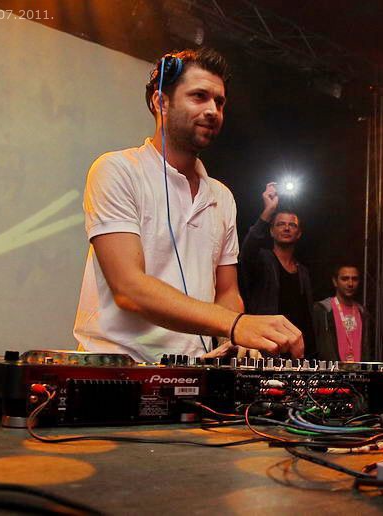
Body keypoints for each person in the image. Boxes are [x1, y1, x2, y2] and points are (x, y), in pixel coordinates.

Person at [73, 48, 303, 363]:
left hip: (193, 369)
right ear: (160, 102)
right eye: (199, 97)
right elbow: (128, 287)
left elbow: (226, 291)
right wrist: (236, 325)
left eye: (219, 102)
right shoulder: (117, 170)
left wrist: (237, 341)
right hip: (117, 366)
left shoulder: (221, 196)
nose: (212, 110)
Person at [239, 183, 314, 357]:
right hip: (266, 350)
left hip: (296, 354)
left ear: (299, 233)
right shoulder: (262, 260)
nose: (286, 228)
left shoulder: (303, 271)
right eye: (280, 224)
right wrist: (269, 210)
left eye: (292, 225)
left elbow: (308, 316)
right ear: (271, 231)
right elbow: (247, 252)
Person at [313, 264, 372, 362]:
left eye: (354, 279)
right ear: (335, 281)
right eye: (345, 279)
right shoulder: (323, 309)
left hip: (358, 370)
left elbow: (366, 349)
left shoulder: (362, 312)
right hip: (332, 370)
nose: (350, 283)